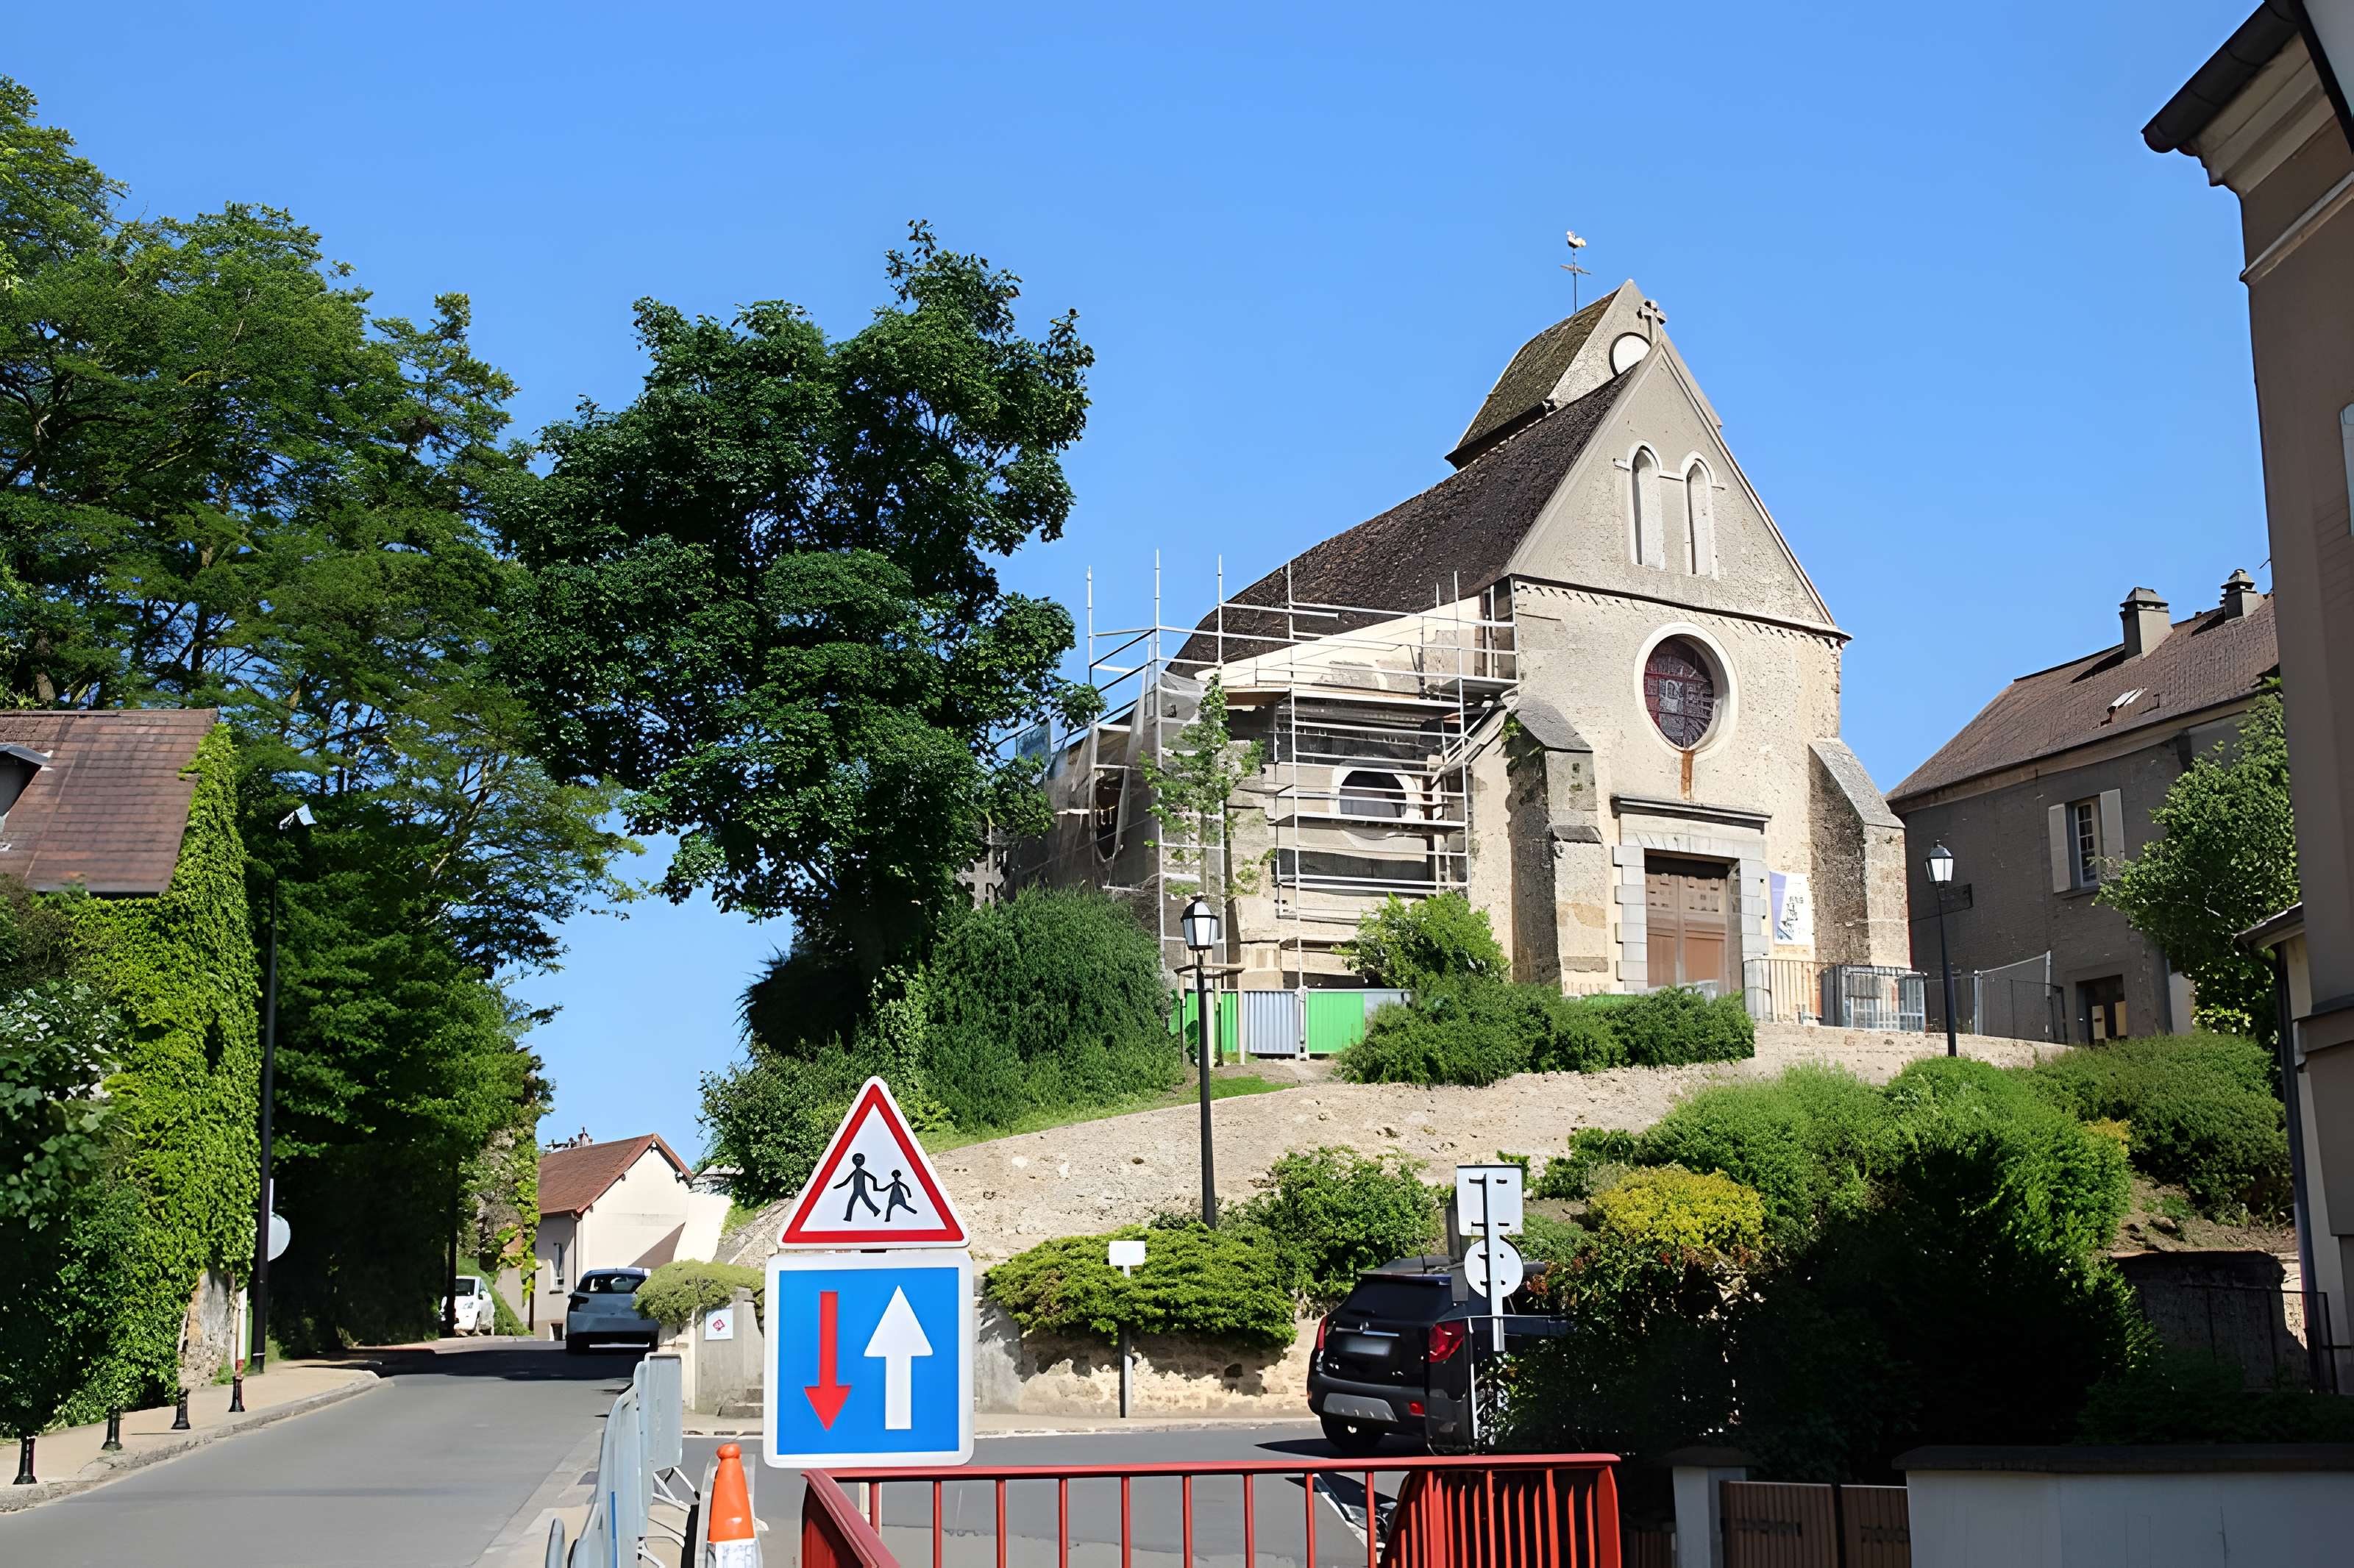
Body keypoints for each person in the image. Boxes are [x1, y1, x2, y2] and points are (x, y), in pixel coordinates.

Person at [833, 1152, 882, 1220]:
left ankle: (875, 1211)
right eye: (857, 1159)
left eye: (860, 1159)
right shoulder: (855, 1171)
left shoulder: (862, 1171)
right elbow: (846, 1182)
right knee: (852, 1203)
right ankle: (848, 1217)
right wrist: (836, 1187)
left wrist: (875, 1188)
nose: (858, 1161)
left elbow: (874, 1179)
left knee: (864, 1202)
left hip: (861, 1190)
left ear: (862, 1161)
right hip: (856, 1191)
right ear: (854, 1161)